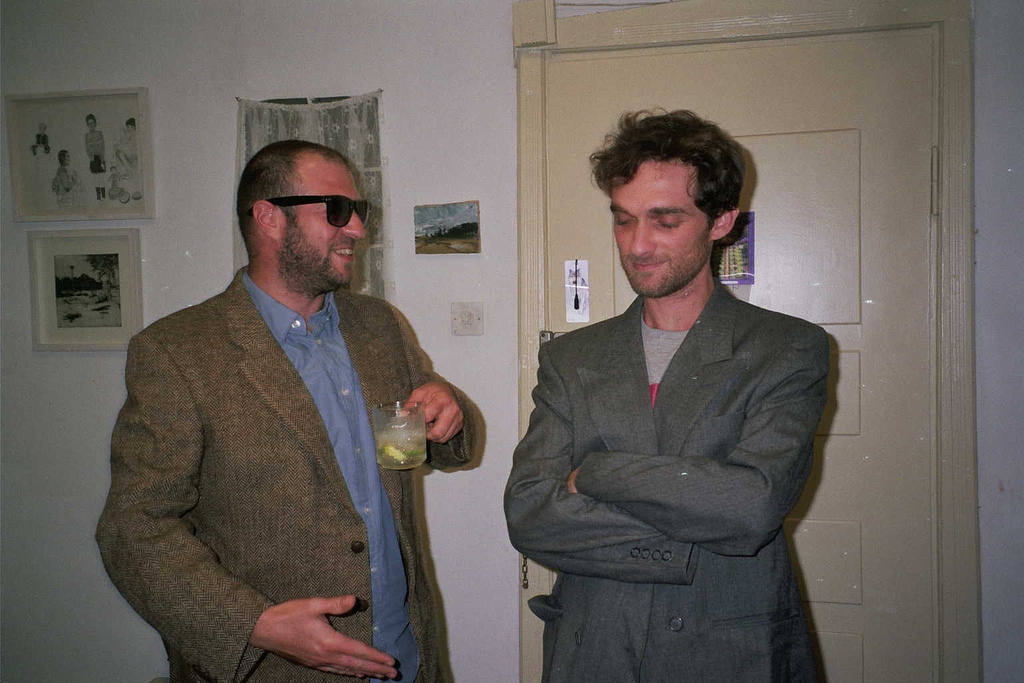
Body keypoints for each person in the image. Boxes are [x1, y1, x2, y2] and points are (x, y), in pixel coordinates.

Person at [97, 140, 474, 682]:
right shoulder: (178, 352)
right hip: (274, 669)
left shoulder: (379, 325)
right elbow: (133, 528)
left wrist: (449, 409)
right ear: (270, 218)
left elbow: (437, 439)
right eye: (337, 210)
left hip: (403, 656)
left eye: (359, 211)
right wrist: (253, 624)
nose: (357, 229)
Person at [504, 110, 829, 682]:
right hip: (594, 648)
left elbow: (751, 509)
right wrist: (695, 530)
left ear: (721, 220)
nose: (638, 244)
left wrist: (595, 473)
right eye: (623, 219)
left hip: (728, 652)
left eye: (665, 220)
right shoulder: (571, 358)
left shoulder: (785, 348)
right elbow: (530, 516)